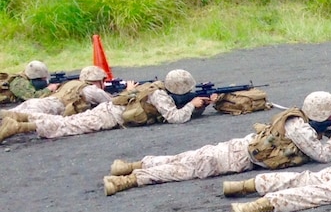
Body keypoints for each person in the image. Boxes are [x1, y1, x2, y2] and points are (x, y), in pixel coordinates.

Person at [102, 90, 331, 196]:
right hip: (237, 158)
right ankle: (129, 180)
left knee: (185, 158)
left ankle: (132, 165)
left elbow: (317, 133)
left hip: (240, 147)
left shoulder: (300, 120)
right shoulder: (300, 128)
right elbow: (323, 155)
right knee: (184, 169)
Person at [0, 68, 213, 146]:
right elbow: (176, 118)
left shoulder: (162, 91)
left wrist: (198, 105)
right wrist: (193, 106)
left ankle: (19, 121)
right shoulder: (159, 95)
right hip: (108, 115)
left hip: (110, 112)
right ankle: (19, 125)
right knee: (65, 126)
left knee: (66, 123)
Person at [0, 66, 119, 119]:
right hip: (49, 106)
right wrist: (128, 90)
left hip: (38, 102)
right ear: (99, 80)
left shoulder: (71, 84)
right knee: (17, 118)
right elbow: (112, 103)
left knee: (7, 115)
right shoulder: (91, 90)